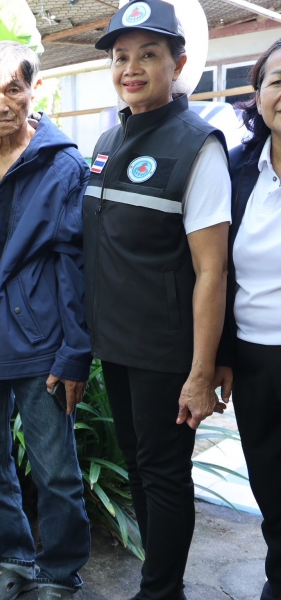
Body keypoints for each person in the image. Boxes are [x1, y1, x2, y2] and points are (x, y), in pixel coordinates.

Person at [84, 1, 232, 598]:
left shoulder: (198, 147)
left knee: (165, 475)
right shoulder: (108, 138)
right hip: (117, 345)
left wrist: (201, 372)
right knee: (141, 470)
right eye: (121, 57)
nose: (131, 68)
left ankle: (161, 591)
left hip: (166, 353)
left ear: (179, 63)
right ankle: (158, 584)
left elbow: (212, 270)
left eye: (148, 54)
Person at [0, 41, 91, 600]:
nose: (0, 103)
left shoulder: (64, 165)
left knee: (55, 468)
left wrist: (75, 352)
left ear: (35, 90)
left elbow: (76, 267)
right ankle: (16, 554)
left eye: (13, 89)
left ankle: (60, 571)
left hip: (40, 343)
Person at [219, 39, 281, 600]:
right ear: (258, 95)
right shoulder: (239, 169)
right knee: (269, 480)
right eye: (277, 81)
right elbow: (216, 270)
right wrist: (221, 356)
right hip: (256, 356)